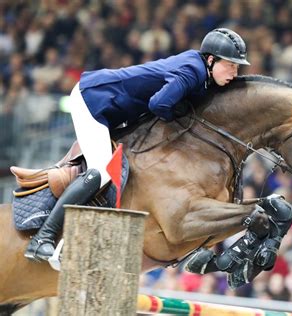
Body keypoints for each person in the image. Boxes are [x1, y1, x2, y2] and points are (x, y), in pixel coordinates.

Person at [24, 28, 250, 262]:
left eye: (237, 66)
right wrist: (180, 109)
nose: (235, 72)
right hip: (94, 100)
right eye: (231, 65)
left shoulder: (200, 71)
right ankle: (42, 239)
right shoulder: (193, 70)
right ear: (211, 60)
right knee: (101, 172)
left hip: (114, 109)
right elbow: (159, 104)